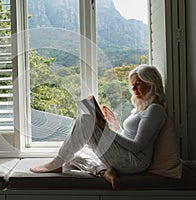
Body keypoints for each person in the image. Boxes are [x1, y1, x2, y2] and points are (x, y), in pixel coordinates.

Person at [30, 65, 167, 190]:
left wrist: (106, 129)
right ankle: (104, 172)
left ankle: (56, 164)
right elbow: (129, 137)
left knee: (84, 120)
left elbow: (136, 146)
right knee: (74, 153)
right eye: (132, 85)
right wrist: (115, 126)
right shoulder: (142, 108)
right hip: (128, 155)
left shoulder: (154, 110)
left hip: (134, 163)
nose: (133, 89)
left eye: (137, 84)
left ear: (150, 84)